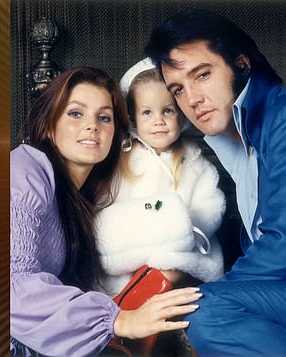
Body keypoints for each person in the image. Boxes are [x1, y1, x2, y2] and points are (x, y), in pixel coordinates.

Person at [145, 9, 286, 356]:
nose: (192, 99)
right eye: (179, 89)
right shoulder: (243, 152)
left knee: (206, 312)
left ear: (241, 64)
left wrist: (199, 299)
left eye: (202, 74)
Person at [10, 67, 202, 356]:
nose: (92, 126)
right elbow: (12, 285)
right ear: (49, 125)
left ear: (117, 134)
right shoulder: (24, 170)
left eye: (104, 117)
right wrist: (119, 320)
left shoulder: (85, 198)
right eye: (75, 113)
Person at [96, 58, 225, 297]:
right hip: (130, 252)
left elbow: (211, 204)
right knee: (117, 280)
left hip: (181, 251)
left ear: (182, 116)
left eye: (167, 110)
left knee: (173, 274)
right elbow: (106, 208)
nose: (159, 121)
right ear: (133, 119)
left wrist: (184, 227)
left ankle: (168, 315)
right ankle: (132, 313)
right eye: (147, 112)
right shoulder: (121, 161)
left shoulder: (194, 162)